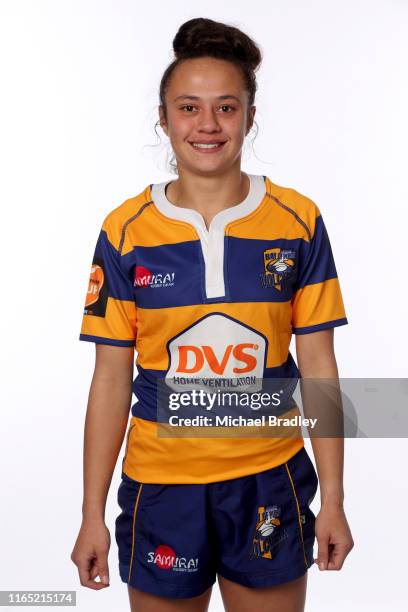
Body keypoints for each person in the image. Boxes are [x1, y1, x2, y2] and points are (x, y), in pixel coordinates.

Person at [71, 16, 354, 612]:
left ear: (250, 116)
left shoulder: (297, 221)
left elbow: (320, 370)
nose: (207, 125)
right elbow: (110, 381)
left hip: (268, 479)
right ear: (164, 117)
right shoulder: (125, 232)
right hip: (162, 487)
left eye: (226, 107)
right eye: (188, 107)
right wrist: (90, 514)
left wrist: (333, 499)